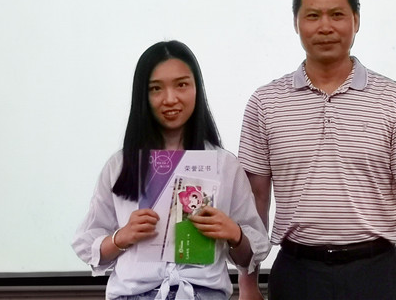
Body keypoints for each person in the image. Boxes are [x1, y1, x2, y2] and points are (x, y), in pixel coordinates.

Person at [237, 0, 396, 300]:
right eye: (313, 16)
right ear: (296, 23)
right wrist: (247, 284)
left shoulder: (393, 99)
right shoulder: (266, 102)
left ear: (356, 20)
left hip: (377, 273)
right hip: (297, 274)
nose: (325, 27)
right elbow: (254, 199)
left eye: (337, 15)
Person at [73, 40, 270, 300]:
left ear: (197, 88)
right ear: (142, 96)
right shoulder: (121, 165)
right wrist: (121, 237)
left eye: (181, 85)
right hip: (133, 294)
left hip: (203, 294)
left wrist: (235, 234)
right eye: (156, 88)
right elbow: (88, 243)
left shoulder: (224, 165)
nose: (170, 99)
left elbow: (250, 256)